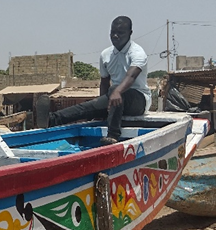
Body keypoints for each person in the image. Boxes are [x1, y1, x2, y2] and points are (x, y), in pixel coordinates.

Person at [47, 16, 151, 144]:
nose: (115, 36)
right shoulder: (105, 55)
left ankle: (113, 135)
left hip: (139, 100)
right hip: (114, 98)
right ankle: (51, 119)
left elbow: (131, 76)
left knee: (115, 89)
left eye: (120, 33)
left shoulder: (137, 53)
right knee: (87, 107)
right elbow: (104, 82)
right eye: (113, 33)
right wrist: (102, 107)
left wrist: (117, 92)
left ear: (130, 33)